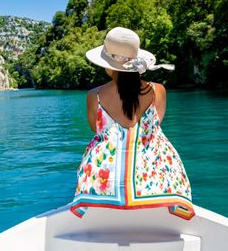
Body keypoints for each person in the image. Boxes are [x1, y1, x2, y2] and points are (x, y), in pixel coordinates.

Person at [70, 27, 195, 220]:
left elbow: (96, 129)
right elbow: (155, 125)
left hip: (106, 180)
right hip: (155, 179)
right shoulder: (158, 91)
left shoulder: (94, 96)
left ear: (108, 64)